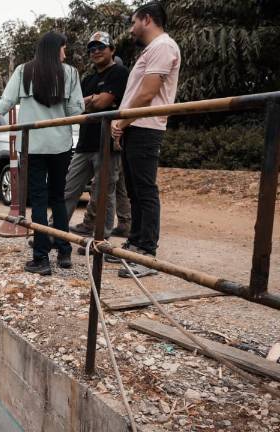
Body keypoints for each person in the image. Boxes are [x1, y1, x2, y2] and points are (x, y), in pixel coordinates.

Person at [0, 31, 84, 276]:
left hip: (33, 145)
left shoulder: (23, 71)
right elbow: (76, 109)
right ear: (55, 49)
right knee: (58, 196)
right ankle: (64, 252)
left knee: (37, 198)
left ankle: (41, 258)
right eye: (63, 49)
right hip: (60, 144)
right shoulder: (70, 73)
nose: (65, 53)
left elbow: (5, 103)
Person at [110, 1, 181, 278]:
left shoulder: (164, 46)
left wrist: (122, 122)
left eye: (133, 22)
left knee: (145, 189)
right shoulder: (151, 50)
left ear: (147, 19)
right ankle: (136, 244)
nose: (131, 29)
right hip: (134, 126)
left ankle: (147, 254)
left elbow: (147, 93)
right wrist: (124, 124)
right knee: (134, 190)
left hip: (146, 126)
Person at [63, 31, 129, 241]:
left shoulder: (119, 73)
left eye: (101, 47)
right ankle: (55, 233)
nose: (96, 52)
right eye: (92, 48)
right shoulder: (88, 78)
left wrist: (90, 101)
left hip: (108, 144)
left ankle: (100, 241)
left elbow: (101, 104)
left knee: (104, 194)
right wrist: (93, 99)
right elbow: (75, 108)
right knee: (68, 190)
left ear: (112, 49)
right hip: (84, 144)